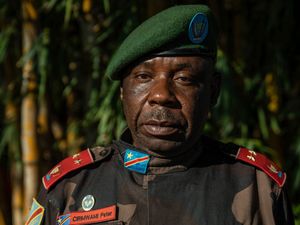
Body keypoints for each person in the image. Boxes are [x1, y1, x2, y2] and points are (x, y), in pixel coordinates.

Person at [25, 4, 294, 225]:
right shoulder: (69, 188)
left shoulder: (257, 189)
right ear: (122, 92)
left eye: (184, 78)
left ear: (212, 91)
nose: (161, 95)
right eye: (143, 76)